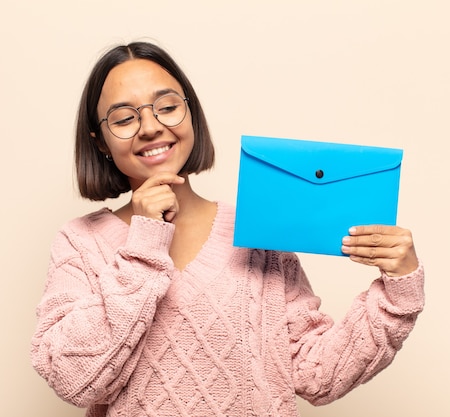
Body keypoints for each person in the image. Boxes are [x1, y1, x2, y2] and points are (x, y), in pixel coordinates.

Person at [30, 41, 424, 417]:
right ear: (100, 142)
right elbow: (73, 380)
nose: (149, 127)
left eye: (167, 106)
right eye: (124, 117)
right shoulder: (80, 243)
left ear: (191, 115)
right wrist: (146, 240)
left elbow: (315, 374)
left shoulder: (257, 228)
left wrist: (399, 289)